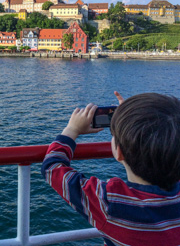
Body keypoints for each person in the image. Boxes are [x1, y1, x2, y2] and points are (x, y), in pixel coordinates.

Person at [41, 92, 180, 246]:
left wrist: (71, 130)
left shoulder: (110, 202)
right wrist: (132, 116)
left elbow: (52, 168)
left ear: (119, 152)